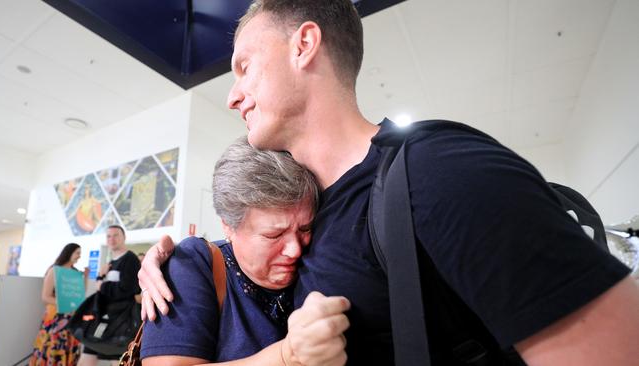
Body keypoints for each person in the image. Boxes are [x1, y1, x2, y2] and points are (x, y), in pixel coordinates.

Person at [139, 0, 639, 364]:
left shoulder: (439, 171)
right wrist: (167, 258)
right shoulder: (310, 203)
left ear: (304, 45)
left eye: (244, 67)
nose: (233, 95)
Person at [141, 137, 349, 366]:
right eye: (274, 235)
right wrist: (285, 356)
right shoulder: (194, 261)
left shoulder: (318, 252)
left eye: (305, 228)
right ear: (228, 226)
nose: (295, 249)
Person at [78, 225, 140, 366]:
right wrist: (100, 277)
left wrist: (102, 285)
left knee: (118, 360)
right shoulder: (110, 263)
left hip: (121, 322)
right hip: (103, 320)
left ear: (124, 237)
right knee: (87, 357)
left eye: (116, 235)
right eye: (108, 236)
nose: (112, 239)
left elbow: (128, 289)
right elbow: (102, 289)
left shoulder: (130, 259)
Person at [30, 243, 87, 366]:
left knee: (67, 348)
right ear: (69, 253)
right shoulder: (54, 270)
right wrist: (64, 302)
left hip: (71, 318)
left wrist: (85, 278)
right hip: (55, 318)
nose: (79, 256)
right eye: (77, 253)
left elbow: (79, 296)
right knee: (51, 348)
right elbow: (45, 297)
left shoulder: (75, 272)